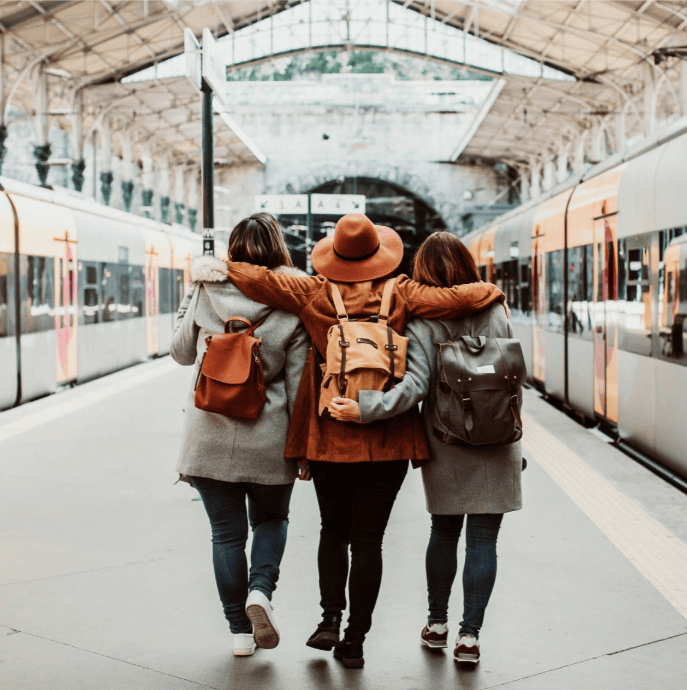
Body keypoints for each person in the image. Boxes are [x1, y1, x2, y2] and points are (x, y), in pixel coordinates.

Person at [223, 213, 507, 668]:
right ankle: (355, 640)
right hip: (388, 438)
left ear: (334, 255)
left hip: (330, 432)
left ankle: (329, 619)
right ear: (381, 254)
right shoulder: (403, 292)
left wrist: (221, 267)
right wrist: (489, 290)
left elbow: (258, 281)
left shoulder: (312, 291)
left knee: (332, 531)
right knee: (368, 542)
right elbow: (457, 299)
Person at [330, 231, 522, 665]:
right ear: (467, 266)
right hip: (498, 438)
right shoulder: (495, 306)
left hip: (447, 438)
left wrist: (365, 408)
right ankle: (469, 638)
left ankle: (437, 626)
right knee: (484, 541)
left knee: (445, 531)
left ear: (422, 273)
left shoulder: (421, 319)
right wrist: (511, 432)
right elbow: (512, 375)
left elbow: (414, 388)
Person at [170, 213, 309, 658]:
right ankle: (260, 592)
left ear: (231, 249)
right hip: (269, 434)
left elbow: (180, 353)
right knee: (270, 520)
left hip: (208, 434)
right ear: (279, 249)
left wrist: (190, 303)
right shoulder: (293, 299)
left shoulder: (206, 287)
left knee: (225, 536)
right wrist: (302, 446)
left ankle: (239, 634)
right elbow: (298, 380)